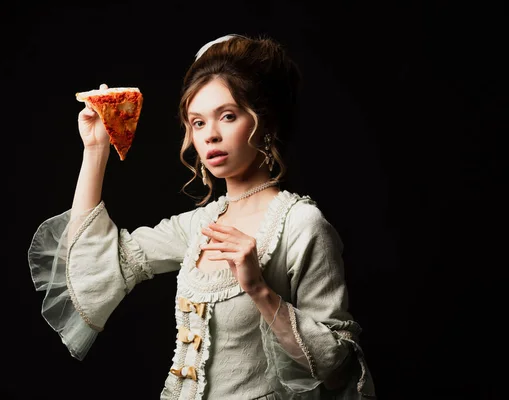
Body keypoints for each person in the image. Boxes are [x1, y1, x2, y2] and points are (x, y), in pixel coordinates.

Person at [27, 33, 376, 399]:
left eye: (227, 116)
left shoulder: (302, 225)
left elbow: (337, 366)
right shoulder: (199, 225)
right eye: (197, 122)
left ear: (265, 122)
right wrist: (96, 149)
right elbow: (89, 266)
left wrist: (259, 289)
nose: (210, 136)